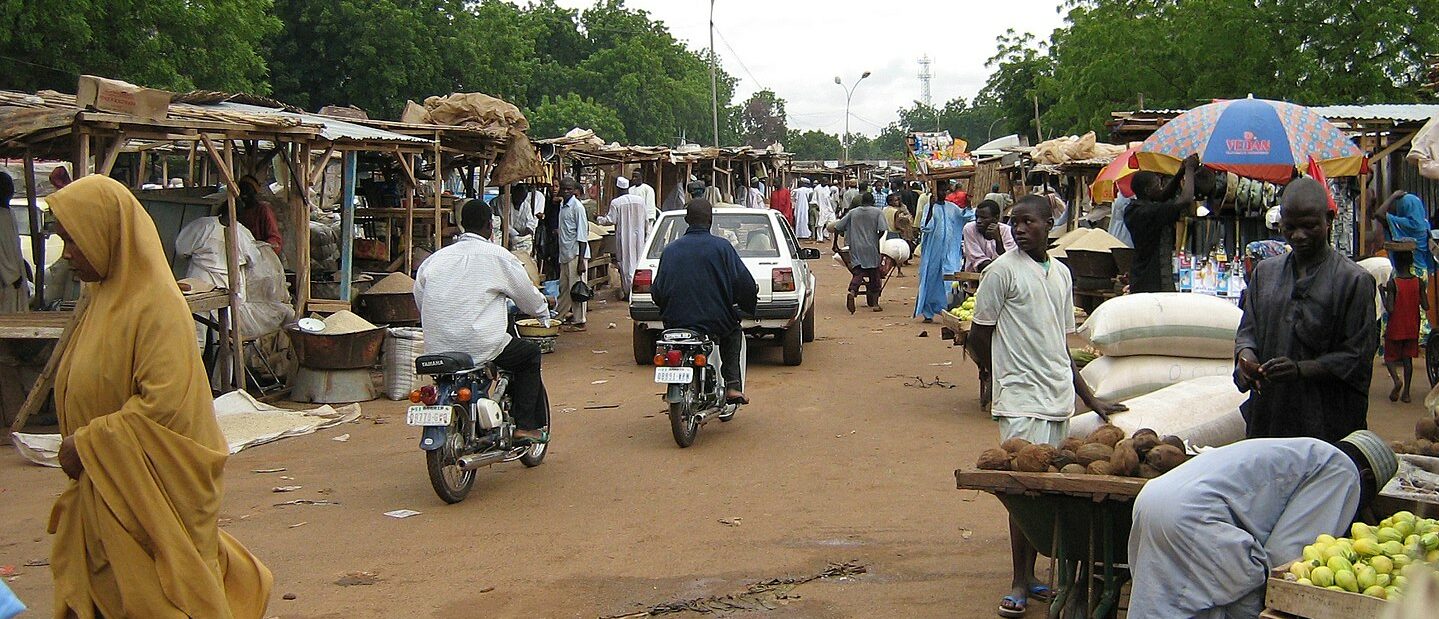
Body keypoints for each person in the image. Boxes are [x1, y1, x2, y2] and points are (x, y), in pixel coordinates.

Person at [45, 175, 272, 618]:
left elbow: (163, 407)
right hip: (104, 492)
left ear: (107, 233)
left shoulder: (156, 306)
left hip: (148, 496)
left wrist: (89, 445)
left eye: (74, 240)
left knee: (162, 596)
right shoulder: (100, 300)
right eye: (63, 241)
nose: (68, 255)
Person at [969, 196, 1126, 618]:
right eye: (1014, 223)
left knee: (1053, 491)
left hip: (1057, 399)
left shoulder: (1060, 273)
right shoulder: (1001, 272)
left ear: (1049, 223)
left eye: (1028, 222)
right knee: (1023, 491)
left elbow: (1062, 345)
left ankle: (1040, 575)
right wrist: (998, 375)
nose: (1019, 230)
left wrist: (1091, 399)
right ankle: (1020, 581)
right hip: (1020, 399)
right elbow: (978, 335)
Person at [1128, 431, 1398, 618]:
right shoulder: (1344, 471)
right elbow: (1288, 553)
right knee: (1248, 594)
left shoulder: (1307, 451)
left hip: (1152, 498)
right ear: (1366, 476)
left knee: (1162, 602)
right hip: (1193, 516)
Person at [1236, 177, 1378, 443]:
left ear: (1328, 220)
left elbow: (1357, 356)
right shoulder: (1265, 274)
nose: (1298, 235)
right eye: (1289, 227)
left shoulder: (1353, 281)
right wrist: (1247, 360)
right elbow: (1247, 331)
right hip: (1270, 415)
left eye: (1309, 226)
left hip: (1326, 419)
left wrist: (1302, 369)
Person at [415, 199, 551, 443]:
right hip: (480, 345)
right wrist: (542, 312)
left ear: (460, 225)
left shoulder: (434, 260)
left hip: (438, 345)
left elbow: (420, 300)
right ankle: (526, 426)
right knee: (529, 355)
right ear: (490, 226)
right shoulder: (498, 256)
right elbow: (527, 296)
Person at [651, 199, 759, 403]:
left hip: (675, 320)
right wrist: (749, 305)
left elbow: (657, 290)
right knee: (733, 333)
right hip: (715, 320)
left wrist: (667, 308)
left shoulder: (670, 250)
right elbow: (743, 282)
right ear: (711, 220)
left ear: (686, 220)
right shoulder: (722, 247)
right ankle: (732, 386)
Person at [1125, 154, 1199, 293]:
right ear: (1148, 191)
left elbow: (1163, 195)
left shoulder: (1135, 208)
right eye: (1157, 185)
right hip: (1150, 279)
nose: (1161, 188)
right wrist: (1189, 170)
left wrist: (1180, 173)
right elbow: (1186, 199)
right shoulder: (1149, 212)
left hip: (1142, 275)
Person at [831, 192, 889, 313]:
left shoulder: (853, 212)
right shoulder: (877, 212)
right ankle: (875, 304)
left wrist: (835, 243)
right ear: (873, 201)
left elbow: (837, 227)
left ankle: (852, 291)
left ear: (862, 201)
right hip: (871, 247)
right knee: (874, 274)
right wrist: (876, 238)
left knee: (859, 272)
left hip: (856, 246)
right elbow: (883, 230)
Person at [914, 192, 967, 322]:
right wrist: (931, 207)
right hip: (933, 251)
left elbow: (966, 216)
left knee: (951, 279)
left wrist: (968, 203)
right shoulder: (929, 207)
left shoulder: (952, 207)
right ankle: (928, 311)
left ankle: (949, 308)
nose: (942, 193)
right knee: (930, 279)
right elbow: (925, 227)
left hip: (950, 251)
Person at [1383, 245, 1427, 403]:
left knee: (1389, 357)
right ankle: (1406, 393)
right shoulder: (1419, 282)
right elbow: (1426, 306)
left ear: (1395, 262)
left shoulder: (1393, 283)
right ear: (1411, 263)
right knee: (1408, 360)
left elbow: (1390, 308)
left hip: (1396, 326)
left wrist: (1383, 294)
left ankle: (1396, 380)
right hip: (1412, 326)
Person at [1373, 188, 1434, 297]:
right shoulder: (1425, 224)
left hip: (1405, 273)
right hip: (1422, 273)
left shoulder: (1405, 224)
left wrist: (1393, 196)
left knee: (1401, 305)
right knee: (1418, 309)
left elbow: (1378, 214)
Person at [601, 176, 650, 298]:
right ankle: (637, 289)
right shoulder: (640, 200)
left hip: (624, 238)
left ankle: (629, 292)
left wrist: (600, 219)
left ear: (617, 188)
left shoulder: (616, 202)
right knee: (638, 262)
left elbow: (611, 220)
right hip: (639, 238)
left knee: (626, 264)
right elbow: (646, 220)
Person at [554, 177, 590, 331]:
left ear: (574, 190)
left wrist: (581, 261)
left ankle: (579, 320)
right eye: (564, 189)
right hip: (565, 254)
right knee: (564, 289)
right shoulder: (563, 206)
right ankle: (559, 317)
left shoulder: (577, 207)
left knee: (577, 290)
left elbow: (582, 235)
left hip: (576, 254)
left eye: (569, 189)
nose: (566, 191)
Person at [0, 172, 32, 313]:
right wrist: (11, 275)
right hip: (6, 280)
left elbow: (14, 248)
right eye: (6, 188)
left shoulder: (9, 213)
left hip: (16, 278)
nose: (10, 192)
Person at [962, 200, 1018, 273]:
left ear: (996, 218)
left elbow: (1009, 260)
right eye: (977, 217)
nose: (978, 221)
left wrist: (998, 240)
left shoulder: (1007, 231)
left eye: (983, 218)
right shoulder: (969, 229)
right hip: (976, 277)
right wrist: (999, 267)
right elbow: (978, 260)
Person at [237, 175, 283, 254]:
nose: (244, 194)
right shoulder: (237, 210)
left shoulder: (263, 209)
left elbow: (274, 238)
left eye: (248, 190)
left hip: (259, 252)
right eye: (242, 190)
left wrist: (262, 249)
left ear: (255, 192)